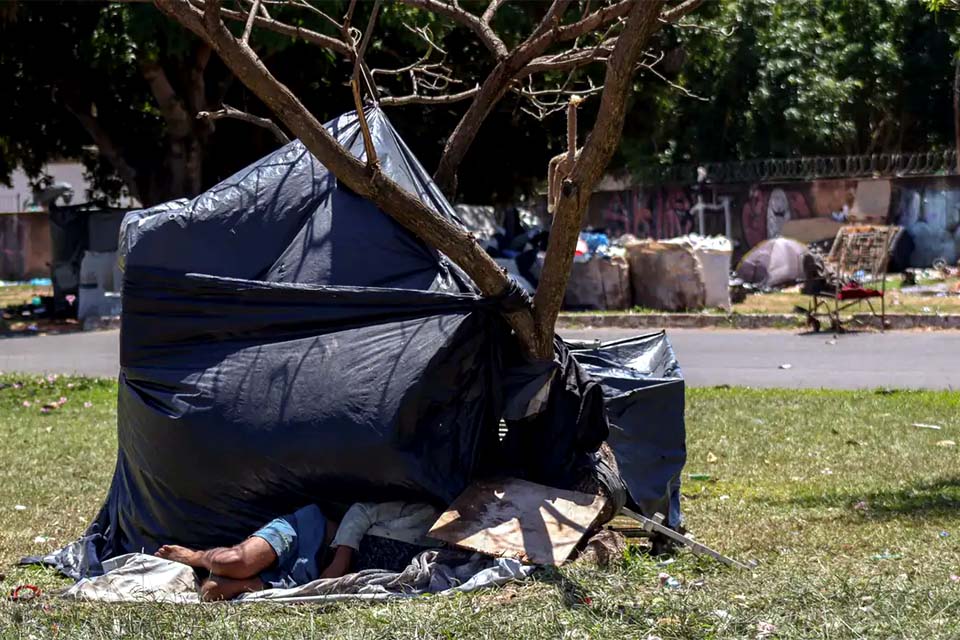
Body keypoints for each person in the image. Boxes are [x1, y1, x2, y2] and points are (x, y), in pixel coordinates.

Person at [155, 501, 439, 601]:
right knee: (236, 561)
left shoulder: (441, 555)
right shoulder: (426, 514)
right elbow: (361, 511)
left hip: (309, 575)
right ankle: (196, 557)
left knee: (212, 591)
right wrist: (342, 559)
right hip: (306, 532)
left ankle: (254, 583)